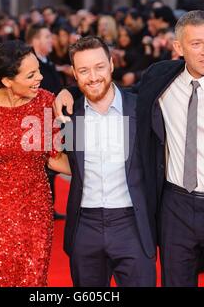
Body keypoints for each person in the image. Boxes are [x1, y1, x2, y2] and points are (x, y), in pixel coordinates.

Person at [54, 10, 204, 287]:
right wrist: (71, 91)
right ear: (178, 47)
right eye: (196, 44)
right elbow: (109, 89)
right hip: (176, 211)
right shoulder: (161, 78)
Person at [0, 40, 70, 287]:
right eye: (31, 74)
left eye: (39, 71)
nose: (40, 78)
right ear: (7, 81)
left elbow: (55, 158)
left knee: (34, 280)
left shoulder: (47, 102)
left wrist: (103, 170)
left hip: (37, 210)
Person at [62, 36, 156, 287]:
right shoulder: (70, 115)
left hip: (132, 224)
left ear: (112, 65)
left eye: (99, 67)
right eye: (83, 70)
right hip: (85, 226)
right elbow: (65, 160)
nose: (92, 77)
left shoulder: (142, 109)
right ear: (74, 73)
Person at [26, 23, 66, 220]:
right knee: (41, 167)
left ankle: (48, 207)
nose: (52, 40)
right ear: (35, 41)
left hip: (53, 121)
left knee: (52, 167)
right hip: (38, 122)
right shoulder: (32, 66)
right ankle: (38, 207)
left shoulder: (48, 62)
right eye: (47, 37)